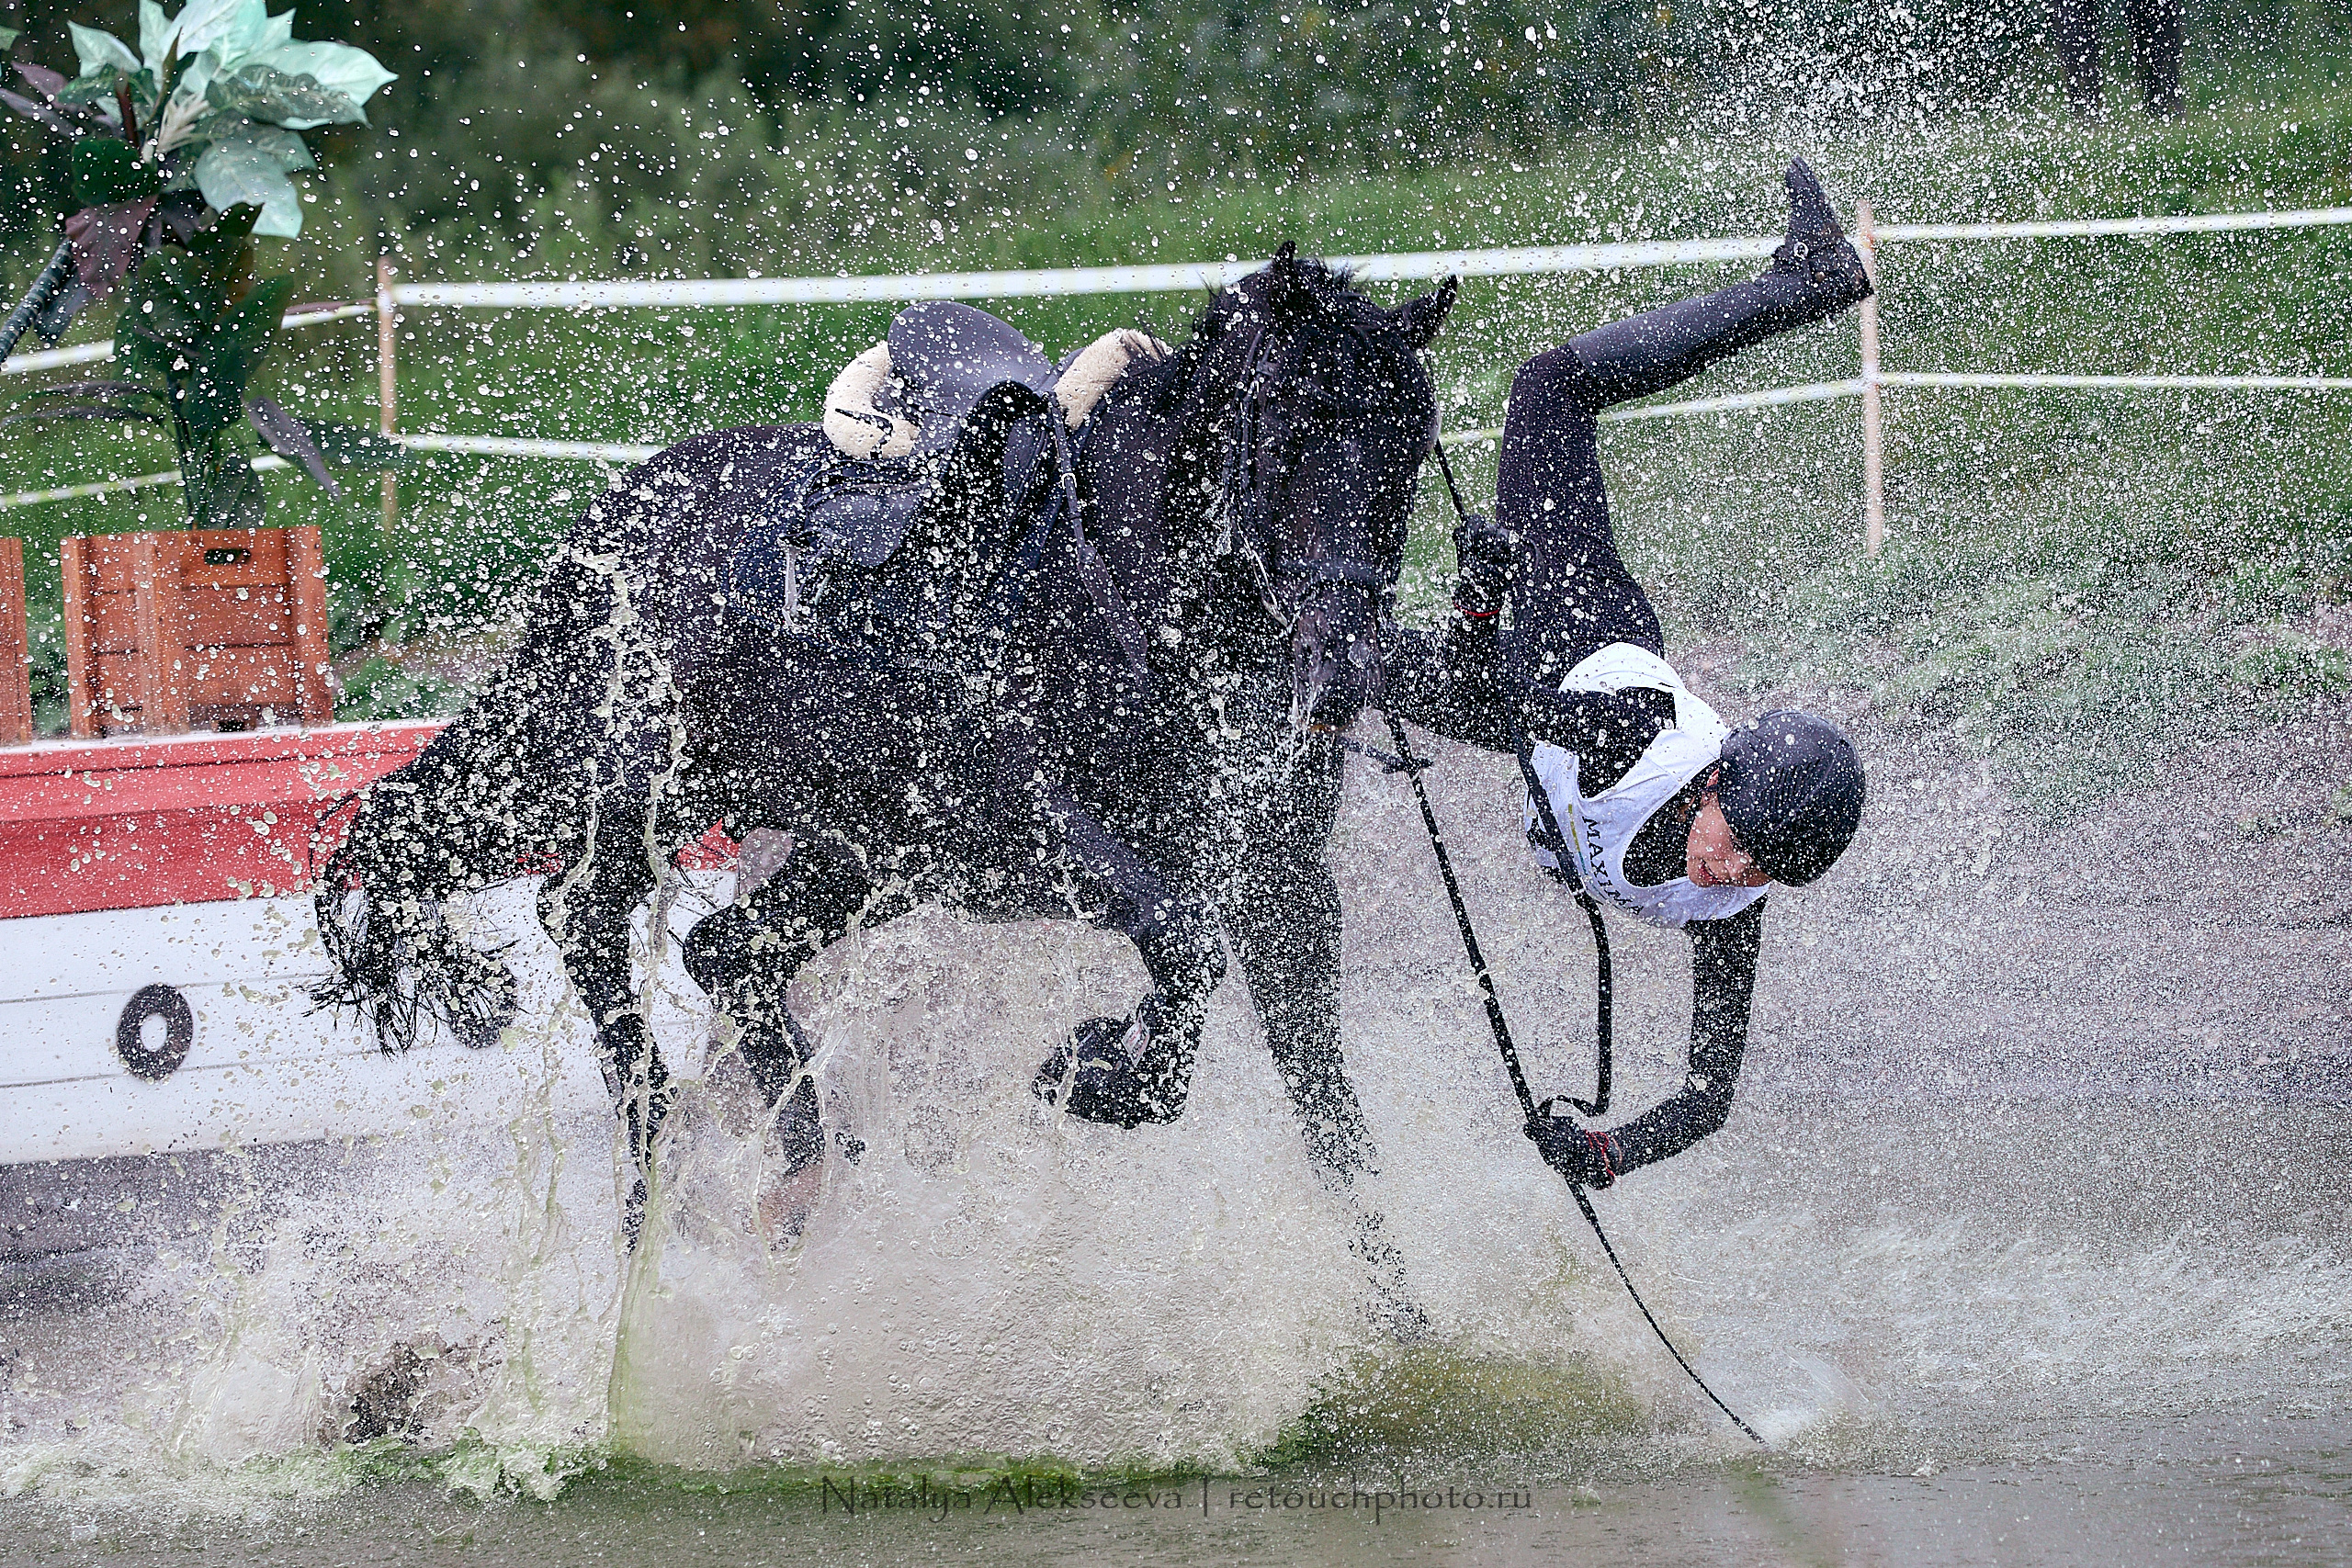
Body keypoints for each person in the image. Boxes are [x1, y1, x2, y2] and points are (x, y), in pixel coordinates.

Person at [1380, 160, 1872, 1190]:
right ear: (1712, 787)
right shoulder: (1627, 740)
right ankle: (1809, 281)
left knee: (1353, 670)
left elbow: (1707, 1098)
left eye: (1760, 873)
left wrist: (1605, 1153)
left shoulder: (1736, 902)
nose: (1731, 876)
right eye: (1736, 846)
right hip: (1574, 641)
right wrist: (1479, 598)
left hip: (1535, 720)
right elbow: (1487, 696)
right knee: (1547, 386)